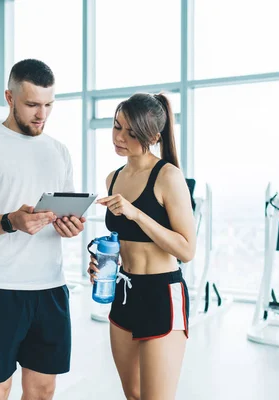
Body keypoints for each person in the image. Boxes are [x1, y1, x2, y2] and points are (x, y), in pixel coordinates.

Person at [0, 59, 85, 400]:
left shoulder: (59, 152)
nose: (42, 114)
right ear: (10, 98)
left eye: (48, 105)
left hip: (51, 287)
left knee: (43, 390)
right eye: (32, 105)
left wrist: (70, 226)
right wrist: (10, 221)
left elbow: (61, 216)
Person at [87, 93, 196, 399]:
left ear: (153, 136)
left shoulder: (169, 177)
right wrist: (101, 263)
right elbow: (124, 242)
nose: (119, 138)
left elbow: (186, 249)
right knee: (133, 395)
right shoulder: (113, 178)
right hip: (122, 292)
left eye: (131, 133)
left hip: (162, 295)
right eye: (116, 127)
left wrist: (136, 214)